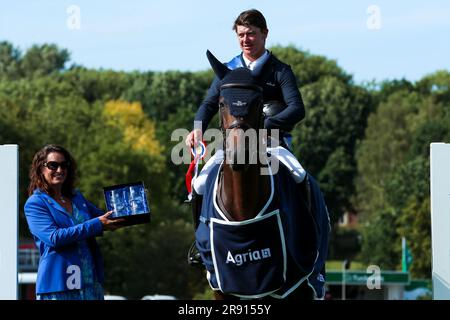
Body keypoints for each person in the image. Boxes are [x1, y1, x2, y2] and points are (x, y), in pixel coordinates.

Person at [185, 9, 307, 196]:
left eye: (251, 33)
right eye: (241, 34)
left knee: (300, 176)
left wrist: (266, 125)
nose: (245, 39)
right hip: (231, 144)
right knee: (200, 185)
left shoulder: (280, 71)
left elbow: (297, 108)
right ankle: (203, 226)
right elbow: (209, 104)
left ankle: (312, 223)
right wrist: (198, 128)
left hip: (272, 142)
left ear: (265, 33)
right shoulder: (227, 70)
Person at [24, 144, 124, 300]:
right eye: (53, 165)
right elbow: (54, 238)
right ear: (40, 169)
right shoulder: (36, 203)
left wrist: (130, 209)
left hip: (90, 284)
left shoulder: (77, 198)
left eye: (64, 165)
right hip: (58, 288)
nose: (59, 170)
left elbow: (105, 218)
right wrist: (97, 224)